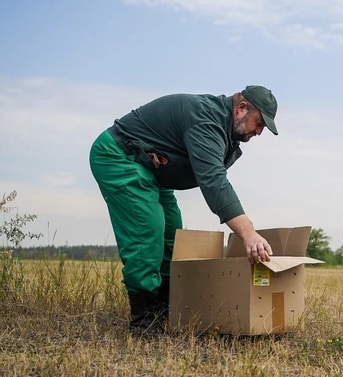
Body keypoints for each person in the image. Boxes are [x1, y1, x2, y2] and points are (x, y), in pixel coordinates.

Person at [89, 85, 278, 335]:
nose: (259, 132)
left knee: (172, 234)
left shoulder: (225, 132)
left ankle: (163, 310)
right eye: (259, 123)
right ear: (241, 108)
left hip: (154, 169)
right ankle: (144, 322)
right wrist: (248, 233)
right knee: (148, 231)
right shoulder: (206, 119)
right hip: (120, 156)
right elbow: (214, 182)